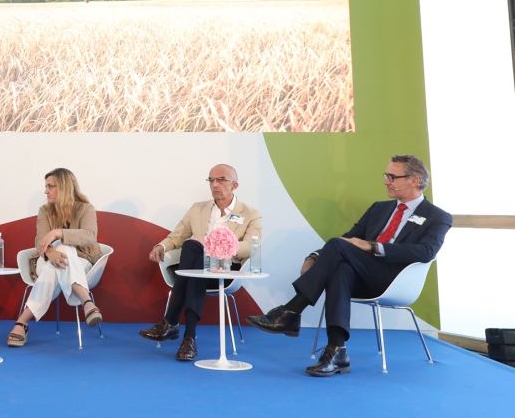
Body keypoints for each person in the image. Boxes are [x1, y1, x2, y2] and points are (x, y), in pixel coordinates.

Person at [247, 154, 452, 377]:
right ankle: (337, 352)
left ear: (414, 180)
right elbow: (348, 240)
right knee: (340, 270)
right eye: (386, 176)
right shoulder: (379, 209)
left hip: (395, 279)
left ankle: (291, 312)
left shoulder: (437, 216)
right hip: (361, 276)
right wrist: (314, 256)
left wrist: (373, 247)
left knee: (339, 255)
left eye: (392, 177)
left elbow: (427, 251)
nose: (386, 181)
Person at [138, 164, 262, 361]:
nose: (215, 184)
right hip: (196, 268)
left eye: (221, 179)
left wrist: (218, 244)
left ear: (234, 185)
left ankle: (170, 322)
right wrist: (161, 246)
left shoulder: (250, 213)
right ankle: (189, 338)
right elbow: (177, 235)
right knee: (191, 247)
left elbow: (251, 246)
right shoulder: (198, 208)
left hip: (224, 271)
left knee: (195, 249)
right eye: (211, 180)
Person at [7, 168, 103, 347]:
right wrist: (50, 252)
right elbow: (40, 240)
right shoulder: (44, 210)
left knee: (64, 249)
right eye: (46, 186)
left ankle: (22, 322)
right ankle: (87, 302)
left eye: (50, 186)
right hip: (47, 260)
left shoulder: (86, 208)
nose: (46, 191)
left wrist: (58, 232)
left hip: (82, 260)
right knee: (59, 256)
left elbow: (90, 235)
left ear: (65, 187)